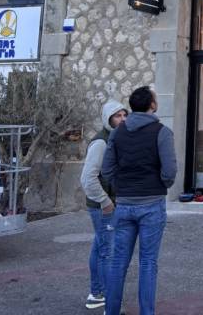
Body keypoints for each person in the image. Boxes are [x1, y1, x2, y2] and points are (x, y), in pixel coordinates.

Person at [102, 87, 176, 315]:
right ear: (152, 105)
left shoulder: (117, 133)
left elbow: (107, 170)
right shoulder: (162, 132)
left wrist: (121, 187)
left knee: (118, 262)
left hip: (124, 204)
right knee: (148, 263)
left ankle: (111, 311)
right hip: (152, 204)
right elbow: (170, 171)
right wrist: (160, 185)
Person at [80, 100, 127, 310]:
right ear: (108, 119)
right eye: (117, 116)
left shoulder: (116, 138)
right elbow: (87, 178)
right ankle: (110, 301)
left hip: (109, 203)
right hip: (102, 206)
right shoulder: (101, 142)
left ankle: (96, 293)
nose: (122, 119)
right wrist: (105, 201)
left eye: (124, 115)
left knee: (100, 247)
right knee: (108, 252)